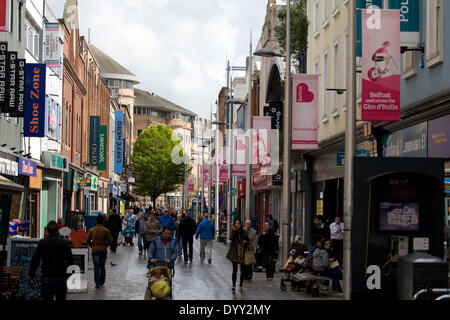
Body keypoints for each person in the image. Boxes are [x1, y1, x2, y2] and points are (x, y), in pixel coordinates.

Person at [29, 221, 74, 301]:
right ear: (58, 230)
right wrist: (68, 275)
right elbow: (70, 261)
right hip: (60, 277)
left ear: (47, 231)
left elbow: (36, 260)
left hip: (47, 276)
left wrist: (32, 273)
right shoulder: (64, 243)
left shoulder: (42, 243)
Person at [87, 214, 113, 289]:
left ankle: (97, 283)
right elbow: (110, 240)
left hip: (95, 249)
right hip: (103, 250)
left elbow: (88, 240)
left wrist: (92, 245)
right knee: (102, 266)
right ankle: (102, 281)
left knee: (96, 267)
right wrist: (105, 245)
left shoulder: (92, 230)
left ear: (96, 220)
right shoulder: (106, 230)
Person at [226, 219, 249, 293]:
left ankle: (241, 285)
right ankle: (233, 285)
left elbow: (248, 239)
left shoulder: (244, 231)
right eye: (236, 223)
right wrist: (235, 231)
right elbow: (231, 238)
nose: (237, 224)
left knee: (242, 270)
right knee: (234, 269)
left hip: (242, 252)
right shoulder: (233, 231)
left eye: (238, 223)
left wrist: (245, 241)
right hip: (235, 253)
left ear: (241, 224)